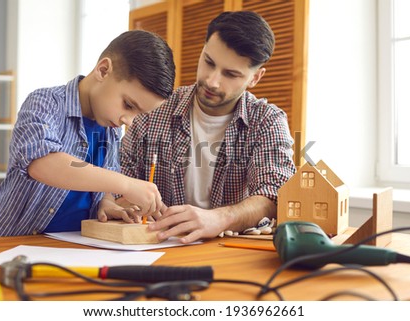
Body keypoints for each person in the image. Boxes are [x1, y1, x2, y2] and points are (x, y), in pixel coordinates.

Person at [118, 11, 296, 244]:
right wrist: (124, 202)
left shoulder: (267, 121)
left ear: (255, 78)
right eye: (209, 62)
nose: (212, 80)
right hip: (155, 246)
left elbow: (275, 197)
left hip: (231, 253)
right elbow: (119, 182)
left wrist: (220, 218)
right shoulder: (154, 108)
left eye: (231, 74)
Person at [0, 30, 175, 237]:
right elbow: (43, 164)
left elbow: (102, 187)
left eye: (139, 114)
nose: (128, 120)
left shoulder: (110, 130)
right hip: (10, 247)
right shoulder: (44, 103)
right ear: (103, 70)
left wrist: (108, 203)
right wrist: (127, 184)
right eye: (128, 105)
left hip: (71, 250)